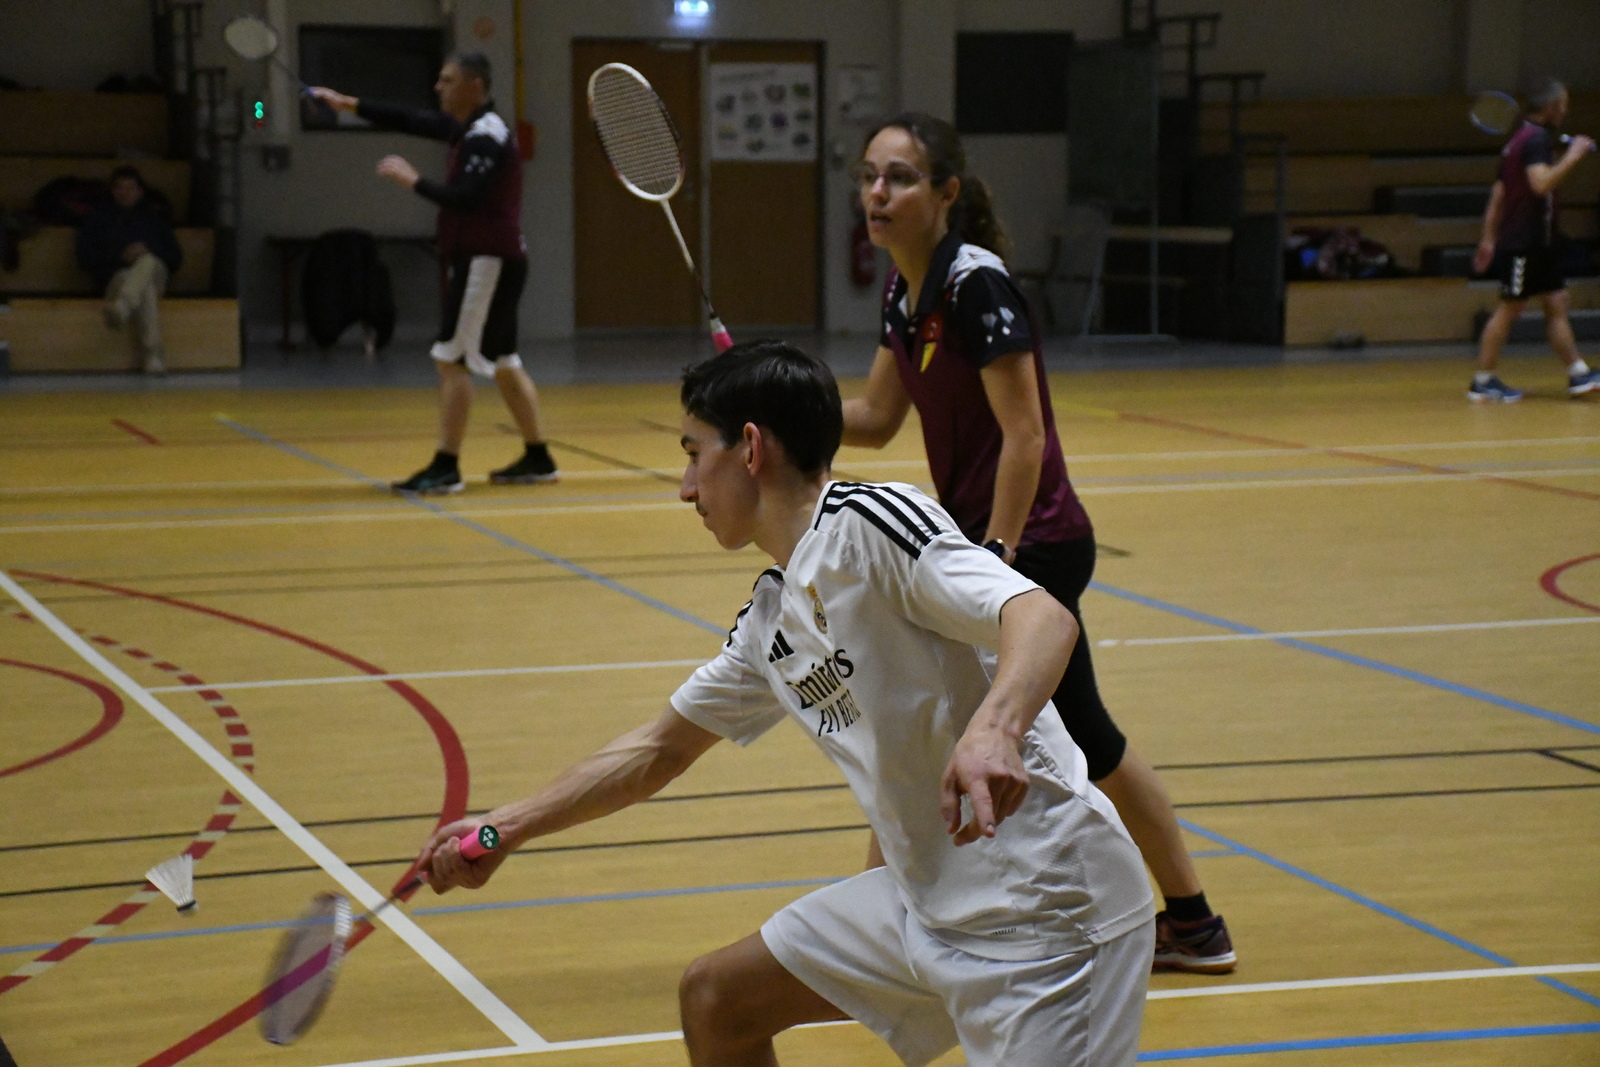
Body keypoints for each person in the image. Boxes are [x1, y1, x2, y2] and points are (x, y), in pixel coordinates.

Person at [418, 340, 1156, 1067]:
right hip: (928, 906)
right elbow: (656, 751)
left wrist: (995, 728)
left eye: (693, 454)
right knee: (719, 999)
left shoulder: (871, 524)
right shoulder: (771, 620)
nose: (685, 488)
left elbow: (1041, 615)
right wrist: (505, 827)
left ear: (749, 448)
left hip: (1050, 918)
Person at [839, 113, 1235, 974]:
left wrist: (997, 554)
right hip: (989, 550)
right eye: (869, 175)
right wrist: (776, 408)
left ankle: (882, 922)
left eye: (899, 177)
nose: (877, 192)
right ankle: (1194, 921)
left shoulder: (975, 286)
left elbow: (1026, 435)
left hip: (1030, 545)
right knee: (1081, 736)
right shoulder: (905, 292)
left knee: (920, 717)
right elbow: (872, 418)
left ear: (946, 192)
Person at [310, 52, 558, 492]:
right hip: (494, 260)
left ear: (475, 86)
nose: (437, 88)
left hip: (486, 261)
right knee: (503, 362)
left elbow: (468, 199)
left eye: (447, 81)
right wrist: (348, 103)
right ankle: (538, 457)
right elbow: (410, 119)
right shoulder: (465, 128)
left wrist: (412, 180)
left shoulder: (485, 135)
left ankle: (446, 466)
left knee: (452, 360)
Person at [1469, 78, 1598, 401]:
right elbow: (1540, 185)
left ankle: (1578, 374)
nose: (1565, 111)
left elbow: (1498, 195)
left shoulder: (1518, 140)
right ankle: (1483, 381)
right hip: (1523, 241)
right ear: (1552, 107)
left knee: (1556, 302)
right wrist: (1574, 155)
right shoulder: (1535, 140)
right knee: (1511, 308)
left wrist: (1488, 239)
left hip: (1540, 242)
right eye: (1563, 105)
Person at [76, 166, 182, 375]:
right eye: (119, 188)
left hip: (155, 273)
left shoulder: (156, 221)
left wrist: (148, 250)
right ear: (112, 191)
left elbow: (176, 258)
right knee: (144, 288)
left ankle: (123, 306)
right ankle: (153, 356)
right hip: (118, 277)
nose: (125, 193)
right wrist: (120, 256)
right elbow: (85, 257)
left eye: (130, 188)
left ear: (140, 192)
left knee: (148, 260)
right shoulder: (96, 220)